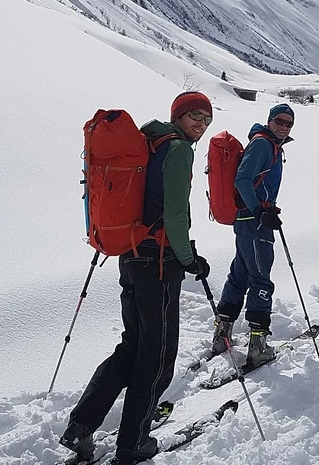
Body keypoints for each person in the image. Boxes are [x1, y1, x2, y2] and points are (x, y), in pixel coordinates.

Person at [60, 92, 214, 465]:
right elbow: (176, 214)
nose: (201, 123)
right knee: (156, 356)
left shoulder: (149, 142)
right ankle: (133, 444)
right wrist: (190, 258)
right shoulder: (178, 151)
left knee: (132, 346)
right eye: (194, 115)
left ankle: (80, 426)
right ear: (178, 116)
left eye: (207, 118)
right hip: (158, 263)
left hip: (129, 255)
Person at [210, 103, 294, 366]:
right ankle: (257, 346)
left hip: (249, 220)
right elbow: (242, 179)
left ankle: (221, 336)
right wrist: (260, 211)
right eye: (279, 121)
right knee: (260, 279)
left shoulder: (269, 145)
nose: (283, 126)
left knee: (241, 275)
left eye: (288, 123)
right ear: (269, 120)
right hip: (255, 221)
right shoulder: (262, 144)